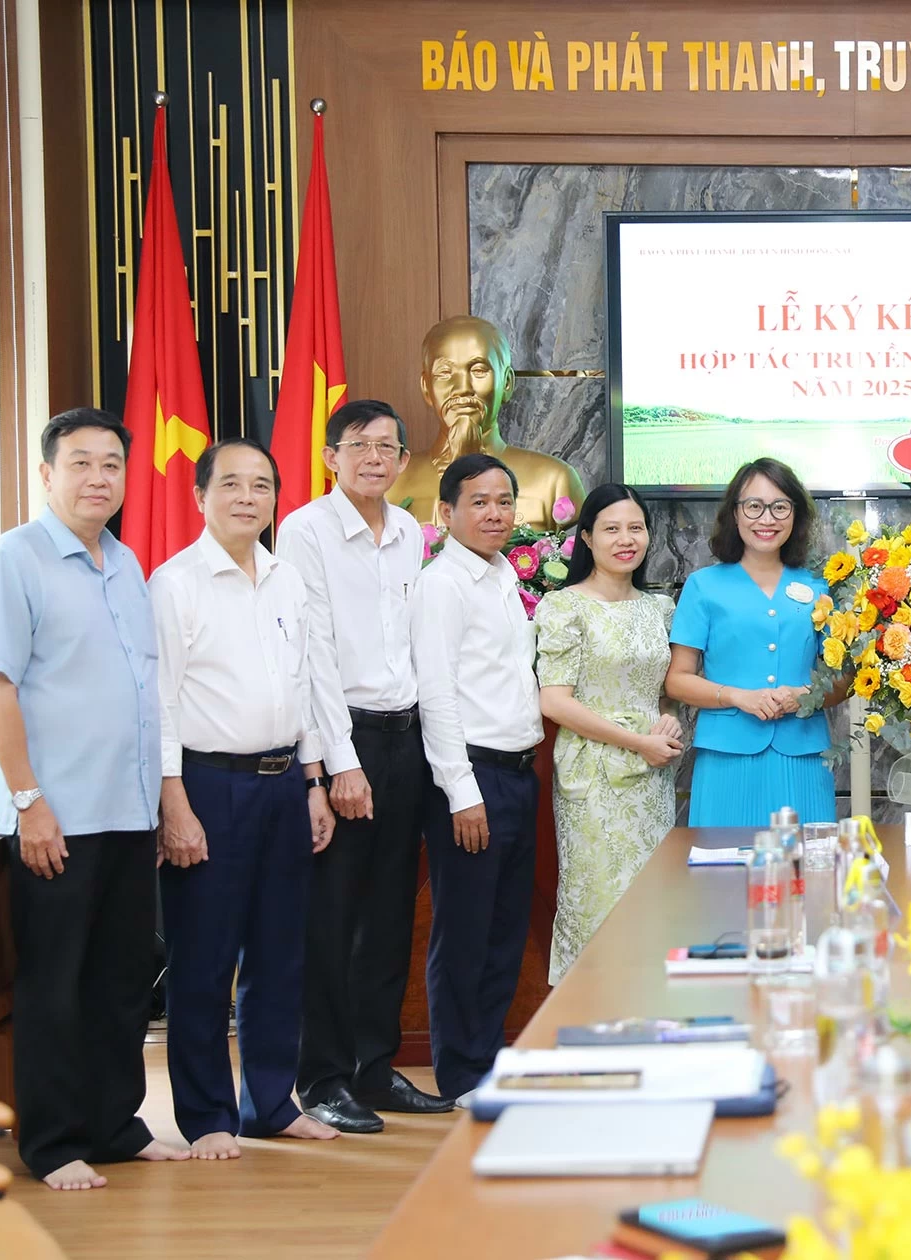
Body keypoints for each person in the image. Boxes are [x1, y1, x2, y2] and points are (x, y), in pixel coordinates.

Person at [0, 408, 190, 1188]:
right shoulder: (15, 559)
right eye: (81, 463)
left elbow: (142, 690)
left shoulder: (126, 563)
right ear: (46, 474)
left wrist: (164, 804)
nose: (99, 477)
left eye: (111, 465)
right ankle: (55, 1142)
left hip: (127, 812)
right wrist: (28, 801)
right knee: (54, 983)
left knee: (122, 979)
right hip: (57, 815)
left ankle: (115, 1125)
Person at [153, 438, 339, 1158]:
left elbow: (305, 688)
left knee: (278, 953)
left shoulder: (286, 579)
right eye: (230, 484)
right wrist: (175, 805)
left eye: (261, 485)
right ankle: (205, 1116)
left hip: (283, 781)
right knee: (203, 957)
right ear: (200, 496)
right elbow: (162, 703)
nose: (246, 497)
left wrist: (315, 782)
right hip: (206, 785)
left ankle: (271, 1102)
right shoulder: (174, 584)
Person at [274, 399, 453, 1132]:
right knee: (333, 919)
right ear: (330, 456)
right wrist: (340, 765)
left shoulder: (409, 529)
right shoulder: (305, 531)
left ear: (404, 461)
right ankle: (321, 1079)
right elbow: (310, 654)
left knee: (386, 917)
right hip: (344, 738)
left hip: (403, 736)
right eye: (359, 445)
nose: (375, 458)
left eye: (388, 447)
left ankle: (374, 1070)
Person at [412, 453, 546, 1105]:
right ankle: (460, 1072)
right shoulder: (441, 585)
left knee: (502, 931)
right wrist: (461, 793)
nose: (495, 513)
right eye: (479, 502)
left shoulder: (498, 576)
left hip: (519, 774)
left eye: (503, 501)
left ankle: (488, 1060)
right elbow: (436, 694)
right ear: (447, 512)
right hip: (472, 779)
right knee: (464, 932)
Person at [536, 485, 683, 982]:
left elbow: (660, 691)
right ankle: (590, 1016)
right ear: (587, 538)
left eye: (636, 528)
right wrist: (638, 741)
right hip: (593, 777)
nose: (626, 539)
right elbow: (554, 701)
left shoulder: (658, 608)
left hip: (652, 777)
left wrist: (666, 718)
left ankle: (647, 1017)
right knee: (599, 895)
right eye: (612, 529)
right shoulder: (563, 607)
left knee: (653, 896)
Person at [666, 458, 838, 827]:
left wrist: (804, 696)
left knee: (807, 873)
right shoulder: (703, 586)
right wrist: (737, 696)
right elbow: (678, 679)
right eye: (754, 506)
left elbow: (844, 678)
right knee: (721, 876)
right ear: (735, 513)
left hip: (803, 754)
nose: (767, 519)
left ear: (795, 515)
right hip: (727, 755)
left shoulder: (819, 586)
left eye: (780, 507)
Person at [388, 316, 586, 526]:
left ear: (507, 383)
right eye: (445, 372)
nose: (463, 387)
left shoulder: (554, 482)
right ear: (426, 388)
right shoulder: (392, 483)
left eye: (479, 370)